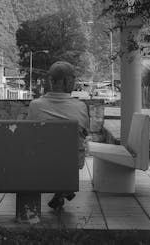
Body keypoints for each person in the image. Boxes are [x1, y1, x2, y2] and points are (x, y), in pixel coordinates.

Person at [27, 61, 90, 210]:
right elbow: (85, 132)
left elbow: (30, 133)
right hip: (71, 162)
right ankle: (63, 190)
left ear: (50, 80)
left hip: (41, 161)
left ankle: (63, 191)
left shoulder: (35, 105)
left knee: (52, 154)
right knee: (69, 152)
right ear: (68, 81)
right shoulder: (80, 106)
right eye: (73, 79)